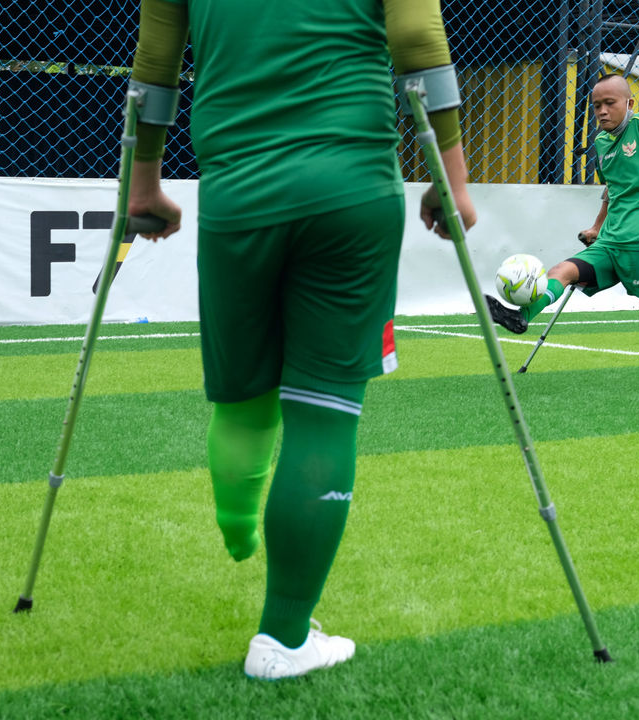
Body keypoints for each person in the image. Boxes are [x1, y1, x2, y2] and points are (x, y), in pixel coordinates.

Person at [126, 0, 476, 680]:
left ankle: (239, 526)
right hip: (349, 189)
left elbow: (155, 63)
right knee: (325, 412)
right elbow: (415, 37)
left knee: (243, 395)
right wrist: (451, 182)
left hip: (236, 195)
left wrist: (145, 186)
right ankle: (283, 637)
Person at [486, 73, 639, 339]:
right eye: (596, 106)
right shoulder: (601, 143)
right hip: (609, 242)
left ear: (629, 103)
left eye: (610, 103)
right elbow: (612, 189)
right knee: (562, 271)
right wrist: (596, 226)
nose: (602, 111)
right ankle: (520, 317)